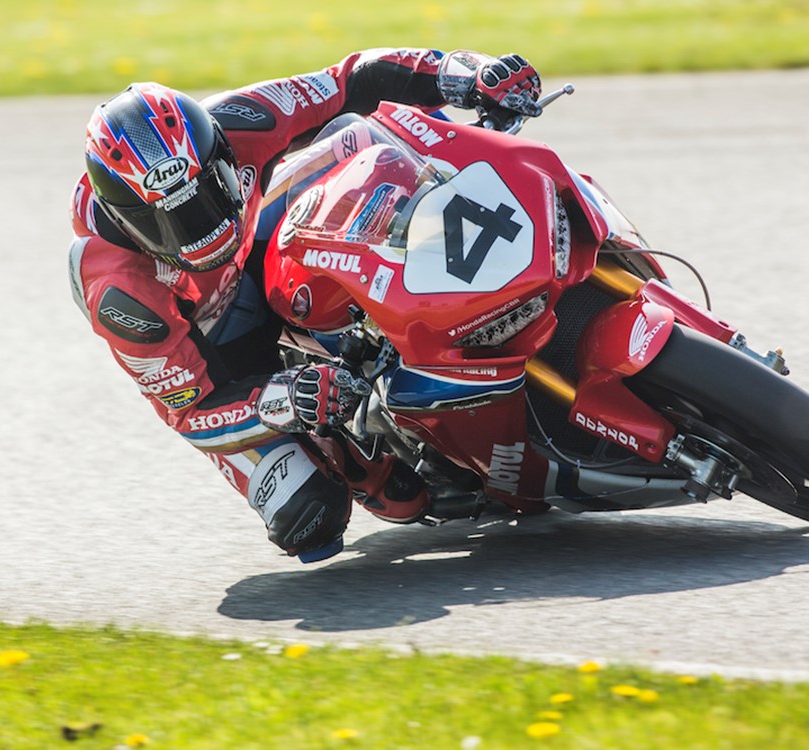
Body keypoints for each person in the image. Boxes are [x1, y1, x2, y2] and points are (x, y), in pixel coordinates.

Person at [68, 48, 543, 561]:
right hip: (219, 352)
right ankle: (356, 444)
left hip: (260, 241)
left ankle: (445, 309)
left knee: (365, 140)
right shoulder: (117, 288)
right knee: (312, 513)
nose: (201, 229)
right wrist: (286, 398)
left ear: (220, 155)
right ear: (123, 218)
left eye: (209, 192)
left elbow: (351, 80)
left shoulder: (238, 120)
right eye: (171, 222)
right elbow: (191, 411)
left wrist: (464, 75)